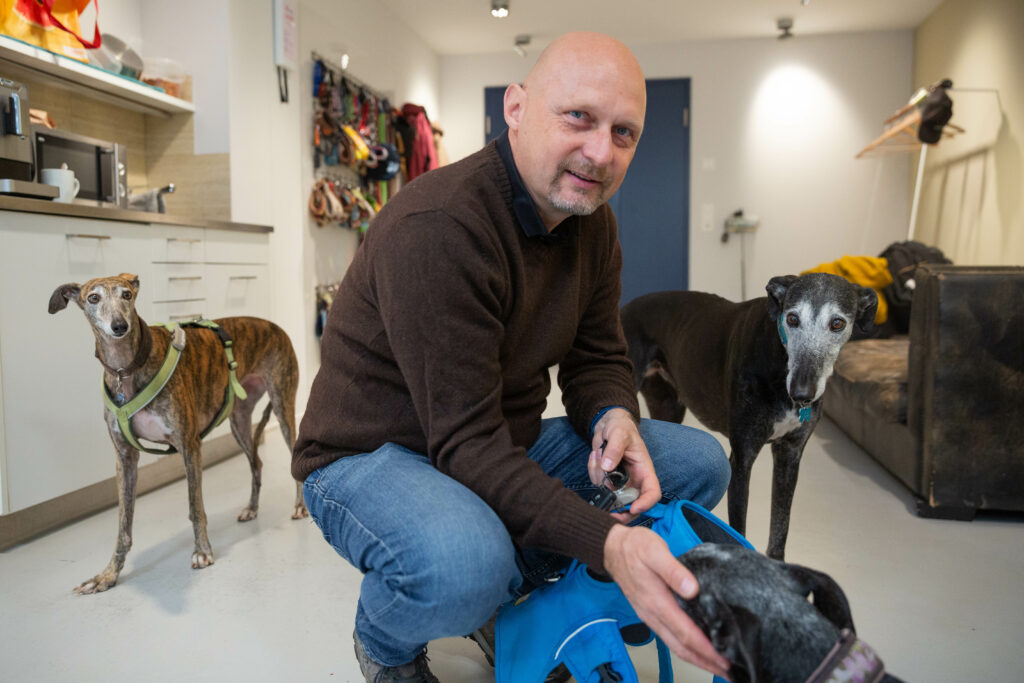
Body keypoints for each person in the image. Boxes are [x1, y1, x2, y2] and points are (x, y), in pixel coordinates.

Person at [293, 31, 732, 682]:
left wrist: (614, 411)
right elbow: (465, 444)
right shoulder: (441, 228)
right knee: (465, 563)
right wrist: (609, 544)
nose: (599, 151)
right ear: (517, 108)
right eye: (578, 117)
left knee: (696, 463)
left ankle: (500, 597)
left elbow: (598, 354)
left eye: (623, 133)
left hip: (493, 441)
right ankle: (385, 639)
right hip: (373, 456)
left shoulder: (594, 225)